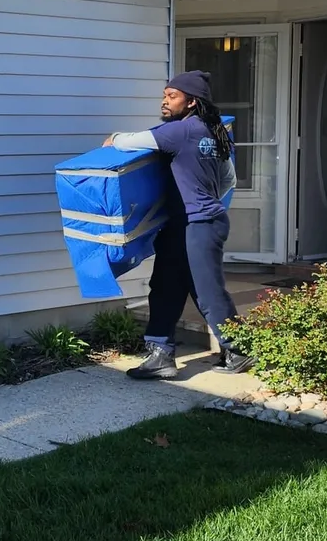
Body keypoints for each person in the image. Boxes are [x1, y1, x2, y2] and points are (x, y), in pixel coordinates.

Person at [102, 70, 254, 379]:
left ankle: (238, 350)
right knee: (165, 286)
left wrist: (114, 138)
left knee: (207, 289)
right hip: (186, 223)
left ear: (191, 102)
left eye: (172, 96)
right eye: (164, 95)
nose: (165, 101)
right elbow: (229, 179)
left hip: (198, 224)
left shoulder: (182, 132)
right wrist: (206, 199)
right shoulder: (214, 131)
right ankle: (161, 355)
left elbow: (134, 141)